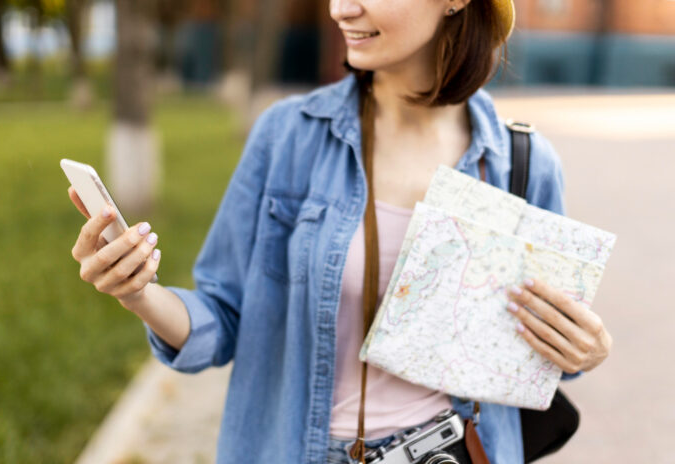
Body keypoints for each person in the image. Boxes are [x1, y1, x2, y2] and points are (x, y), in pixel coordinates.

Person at [68, 0, 613, 462]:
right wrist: (139, 293)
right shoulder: (288, 136)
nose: (339, 8)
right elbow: (223, 316)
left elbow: (533, 357)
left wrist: (582, 350)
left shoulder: (521, 161)